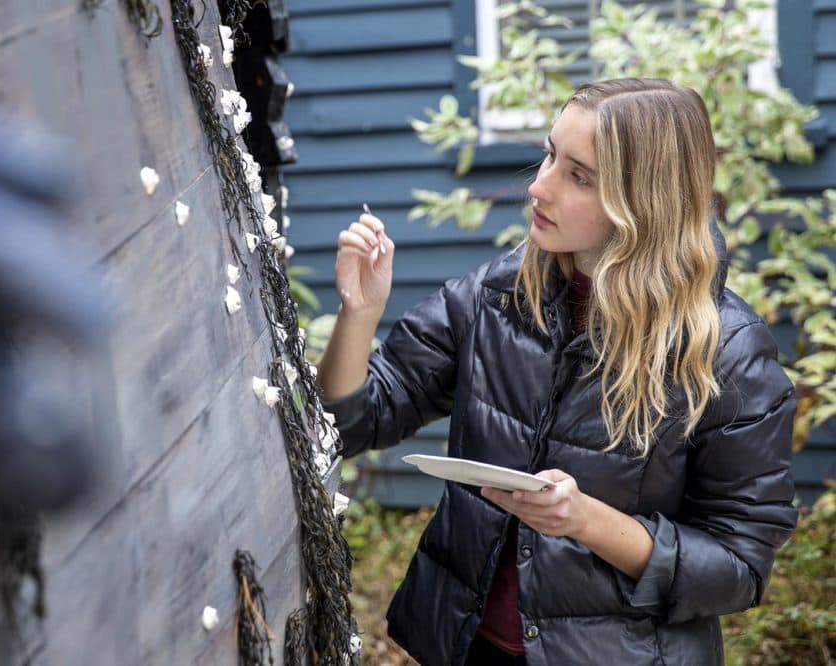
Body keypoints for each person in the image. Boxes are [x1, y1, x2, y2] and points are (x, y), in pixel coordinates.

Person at [317, 78, 798, 665]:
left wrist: (587, 521)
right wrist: (360, 313)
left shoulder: (727, 352)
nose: (538, 186)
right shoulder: (499, 292)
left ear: (642, 201)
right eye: (549, 155)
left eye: (579, 176)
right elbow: (353, 422)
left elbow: (739, 568)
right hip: (468, 644)